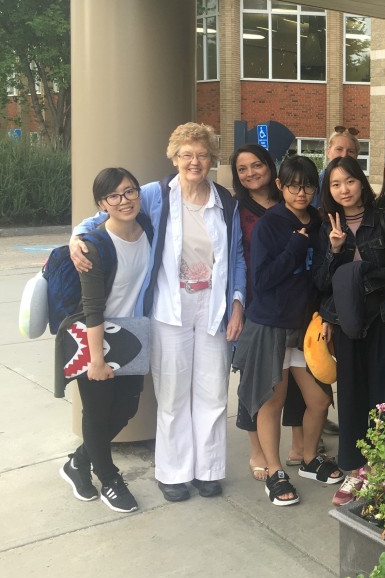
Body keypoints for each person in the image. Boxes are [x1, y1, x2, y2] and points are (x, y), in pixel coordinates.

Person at [71, 123, 246, 502]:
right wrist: (76, 237)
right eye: (186, 154)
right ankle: (173, 473)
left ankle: (208, 470)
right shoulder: (155, 194)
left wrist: (237, 301)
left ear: (212, 158)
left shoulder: (226, 201)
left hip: (213, 308)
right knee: (172, 394)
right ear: (174, 158)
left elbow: (238, 257)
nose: (194, 161)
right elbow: (106, 213)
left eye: (201, 154)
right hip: (170, 309)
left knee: (213, 393)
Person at [234, 156, 338, 507]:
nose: (301, 192)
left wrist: (333, 251)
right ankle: (276, 470)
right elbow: (261, 281)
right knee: (272, 399)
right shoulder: (271, 224)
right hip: (271, 325)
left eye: (308, 185)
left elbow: (323, 277)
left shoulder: (321, 221)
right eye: (293, 185)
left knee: (320, 400)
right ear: (280, 186)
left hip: (305, 327)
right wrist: (296, 246)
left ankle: (309, 459)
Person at [314, 156, 385, 507]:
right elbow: (323, 283)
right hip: (345, 321)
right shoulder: (327, 226)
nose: (344, 190)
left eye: (350, 181)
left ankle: (381, 469)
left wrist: (362, 279)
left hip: (381, 318)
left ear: (361, 182)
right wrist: (336, 250)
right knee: (352, 396)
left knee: (380, 394)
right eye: (336, 184)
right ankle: (356, 471)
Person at [58, 167, 153, 513]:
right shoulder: (94, 245)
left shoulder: (148, 229)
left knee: (126, 408)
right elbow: (92, 308)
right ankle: (109, 477)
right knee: (97, 415)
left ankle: (77, 462)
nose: (124, 200)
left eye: (130, 192)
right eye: (114, 195)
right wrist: (96, 360)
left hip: (132, 333)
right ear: (102, 204)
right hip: (95, 338)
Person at [231, 144, 315, 481]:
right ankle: (259, 451)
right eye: (242, 168)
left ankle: (298, 446)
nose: (251, 173)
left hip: (292, 307)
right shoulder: (234, 208)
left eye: (257, 165)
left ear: (272, 170)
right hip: (255, 303)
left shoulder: (294, 204)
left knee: (290, 384)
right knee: (258, 383)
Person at [313, 125, 362, 208]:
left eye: (350, 151)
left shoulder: (360, 185)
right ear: (328, 151)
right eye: (339, 149)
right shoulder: (315, 185)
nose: (344, 155)